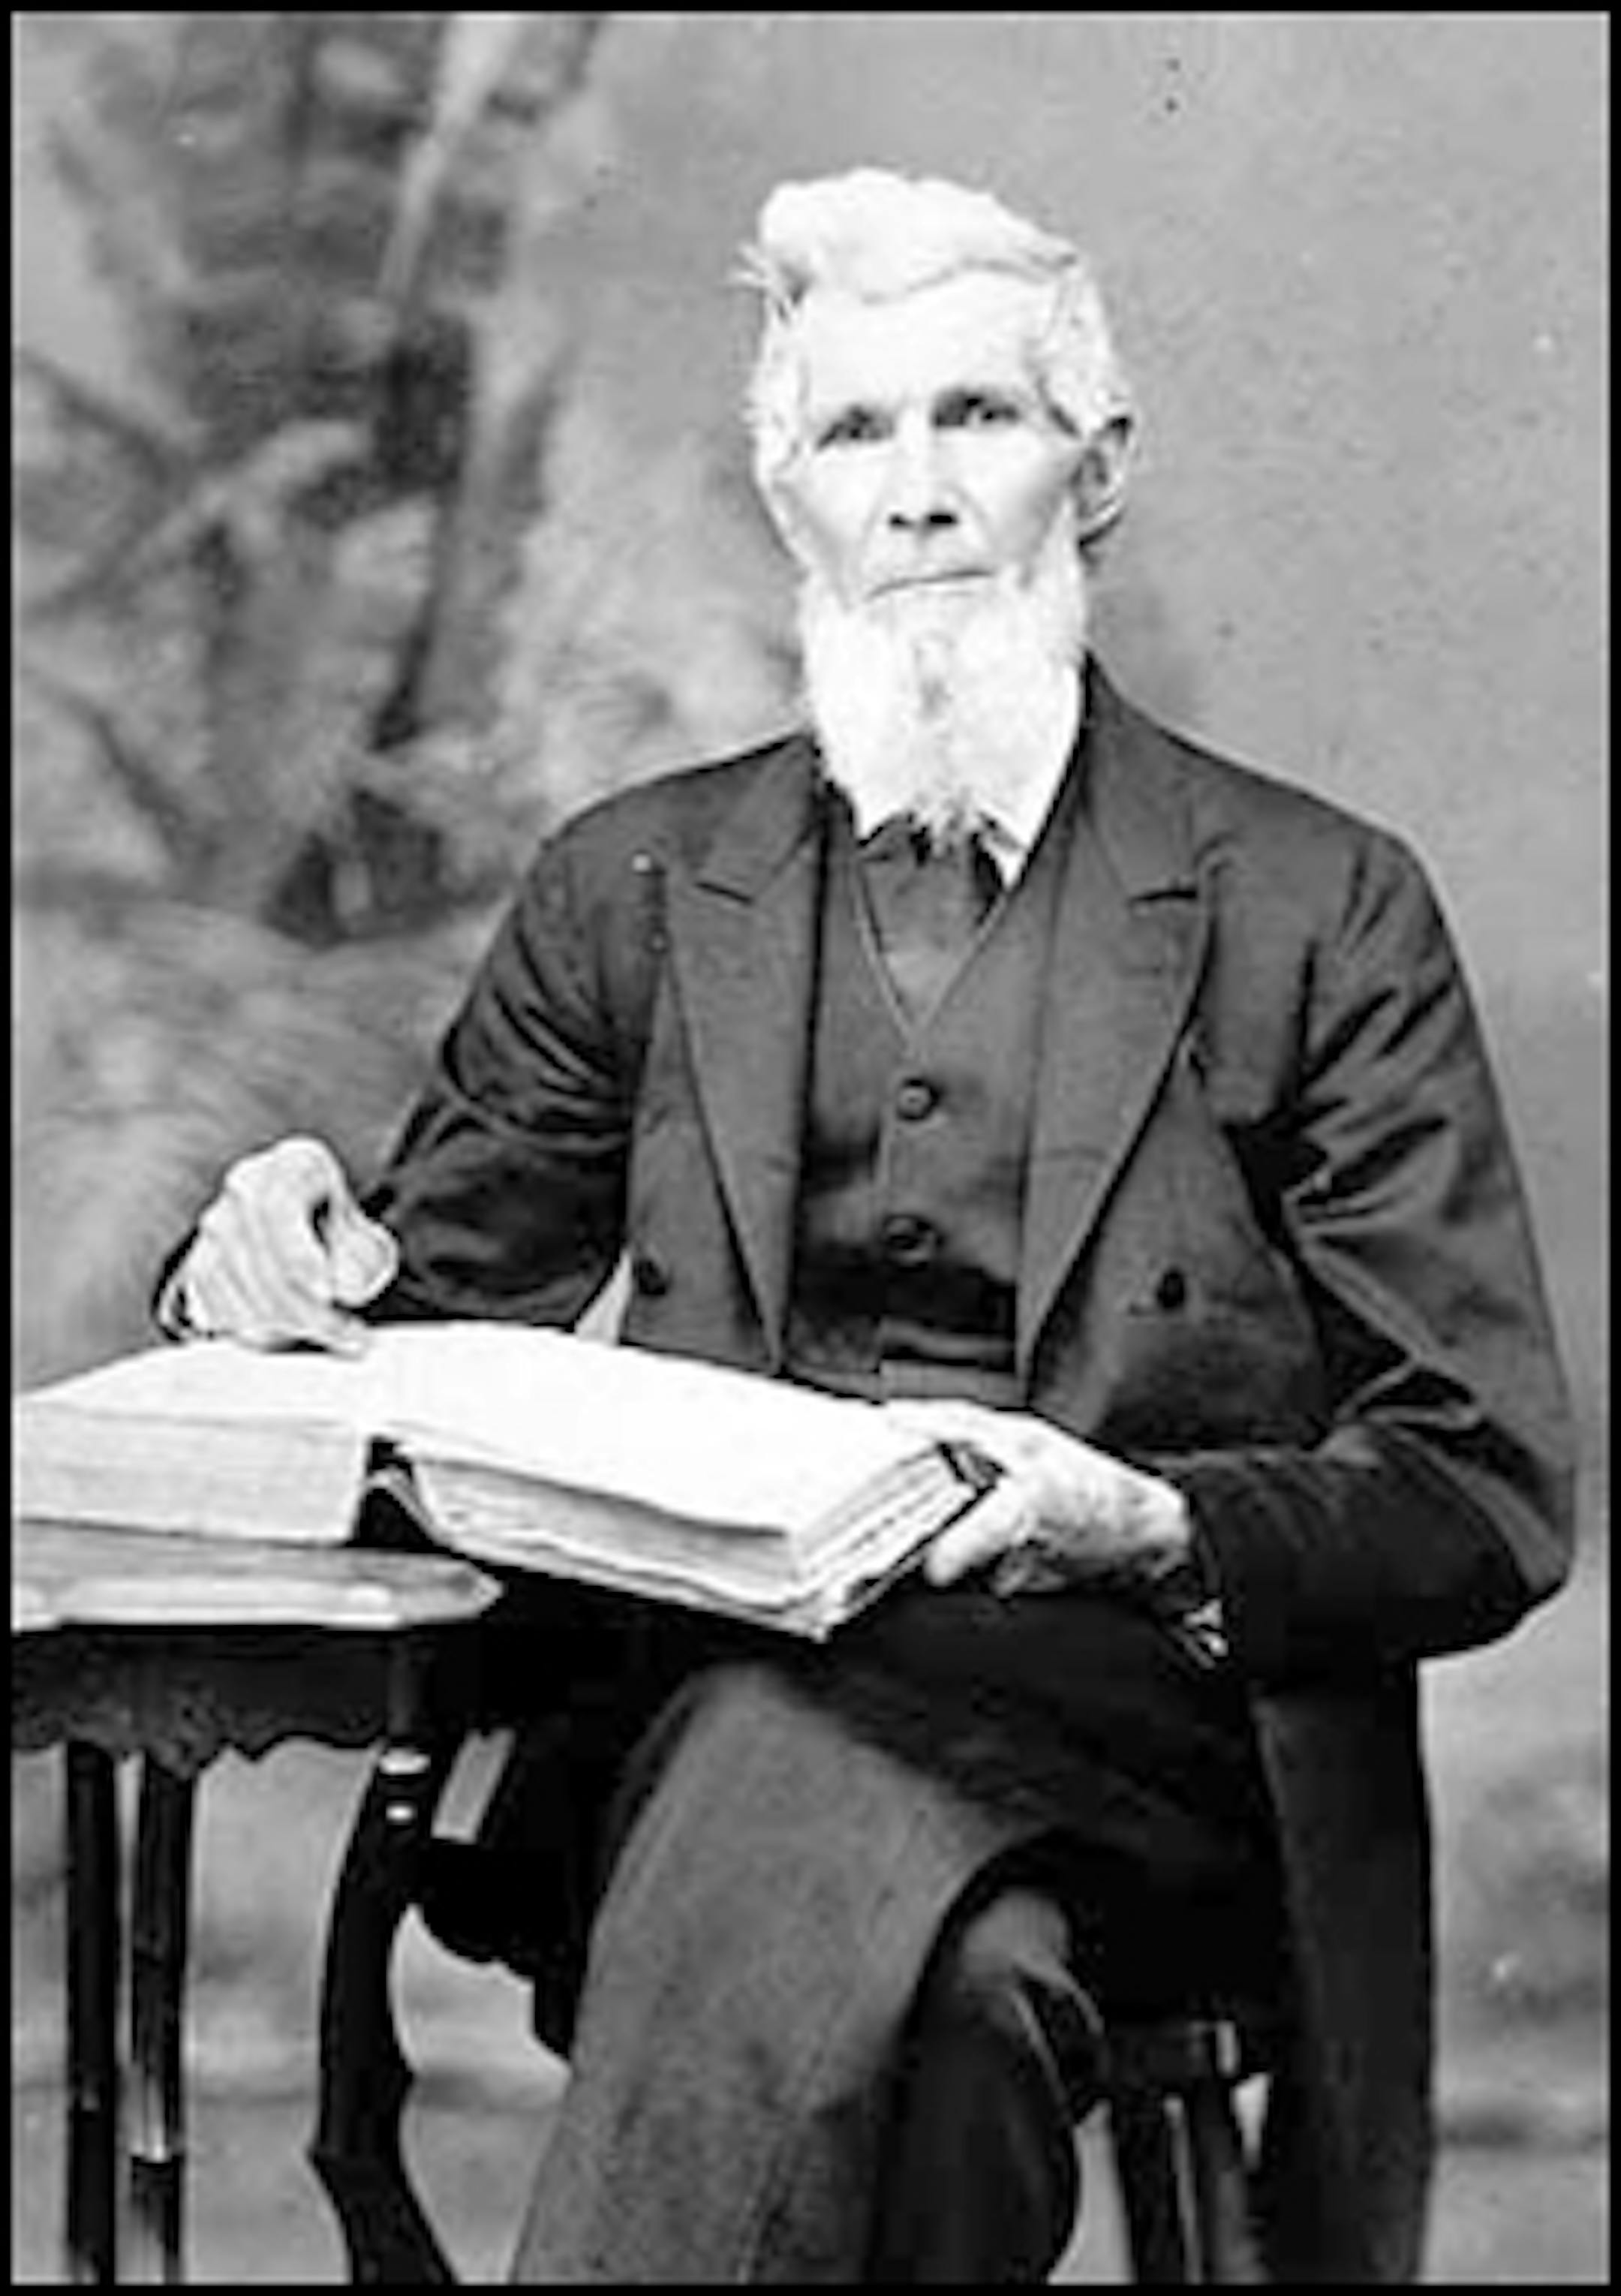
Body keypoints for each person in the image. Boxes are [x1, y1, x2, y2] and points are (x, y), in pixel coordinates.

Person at [159, 167, 1574, 2282]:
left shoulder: (1317, 907)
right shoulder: (631, 883)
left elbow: (1484, 1483)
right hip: (697, 1724)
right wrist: (261, 1255)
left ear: (1099, 471)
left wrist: (1149, 1525)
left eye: (977, 421)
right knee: (958, 1984)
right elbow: (418, 1306)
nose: (915, 495)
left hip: (1153, 1758)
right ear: (780, 493)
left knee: (795, 1770)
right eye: (851, 434)